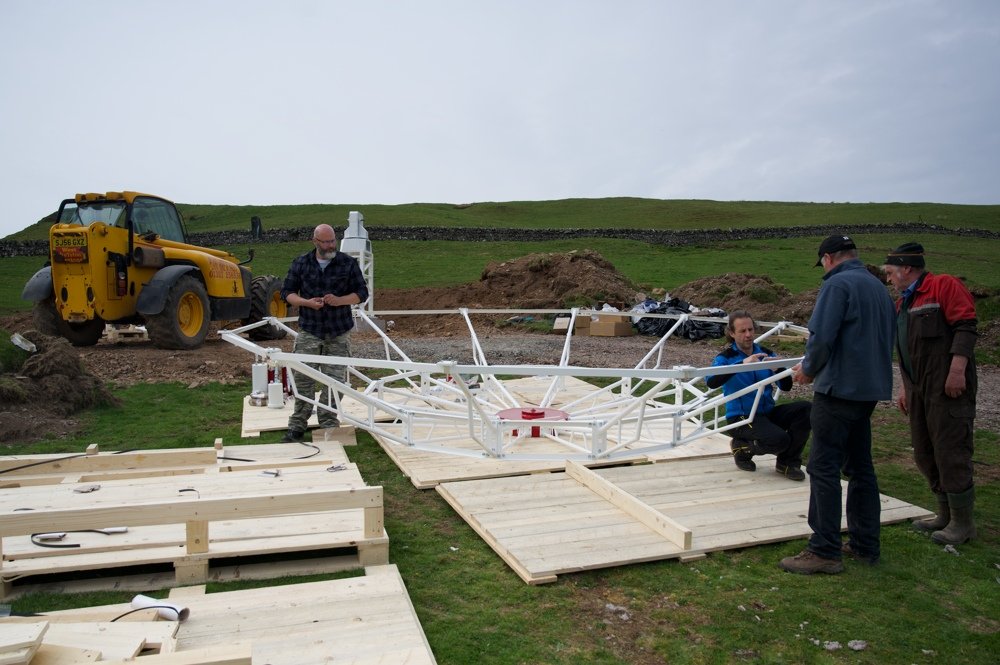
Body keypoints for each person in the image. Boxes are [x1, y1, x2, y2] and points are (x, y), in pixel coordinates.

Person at [780, 234, 896, 575]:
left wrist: (809, 370)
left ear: (829, 258)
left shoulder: (837, 286)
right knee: (860, 468)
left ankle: (824, 550)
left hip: (838, 390)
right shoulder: (878, 287)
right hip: (868, 391)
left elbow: (822, 338)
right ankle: (864, 544)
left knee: (823, 467)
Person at [883, 242, 978, 544]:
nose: (889, 279)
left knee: (951, 449)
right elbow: (907, 350)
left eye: (890, 272)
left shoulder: (943, 287)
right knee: (925, 450)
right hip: (919, 388)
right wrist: (905, 387)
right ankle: (945, 513)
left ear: (906, 269)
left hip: (947, 387)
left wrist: (957, 369)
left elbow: (966, 326)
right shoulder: (903, 305)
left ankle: (963, 523)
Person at [279, 223, 369, 443]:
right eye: (325, 242)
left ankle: (329, 424)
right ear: (315, 241)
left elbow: (361, 293)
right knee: (303, 380)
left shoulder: (347, 264)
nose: (330, 246)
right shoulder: (301, 263)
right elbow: (287, 293)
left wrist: (340, 301)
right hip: (310, 331)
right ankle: (298, 425)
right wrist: (306, 303)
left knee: (335, 381)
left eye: (332, 241)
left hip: (338, 332)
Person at [706, 310, 810, 481]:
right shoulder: (726, 358)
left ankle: (787, 463)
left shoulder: (765, 353)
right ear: (732, 333)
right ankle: (742, 448)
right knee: (780, 440)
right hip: (741, 418)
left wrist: (779, 369)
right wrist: (741, 365)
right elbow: (711, 381)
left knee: (805, 410)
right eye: (742, 331)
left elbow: (786, 387)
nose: (748, 335)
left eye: (751, 330)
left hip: (765, 414)